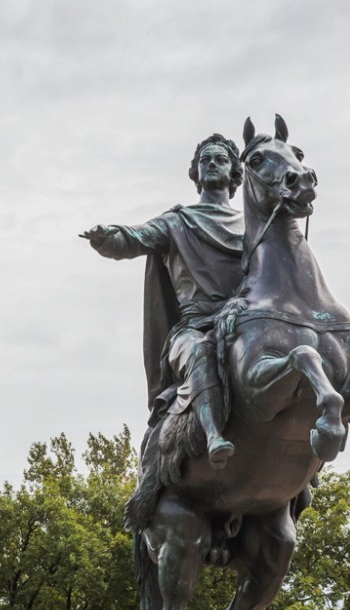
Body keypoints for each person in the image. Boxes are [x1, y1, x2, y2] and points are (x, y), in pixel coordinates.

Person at [80, 134, 244, 468]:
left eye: (220, 159)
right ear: (195, 174)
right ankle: (213, 435)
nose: (211, 163)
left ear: (235, 173)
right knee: (198, 352)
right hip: (194, 329)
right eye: (205, 160)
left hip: (243, 323)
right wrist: (108, 237)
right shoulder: (177, 222)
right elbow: (135, 237)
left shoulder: (254, 227)